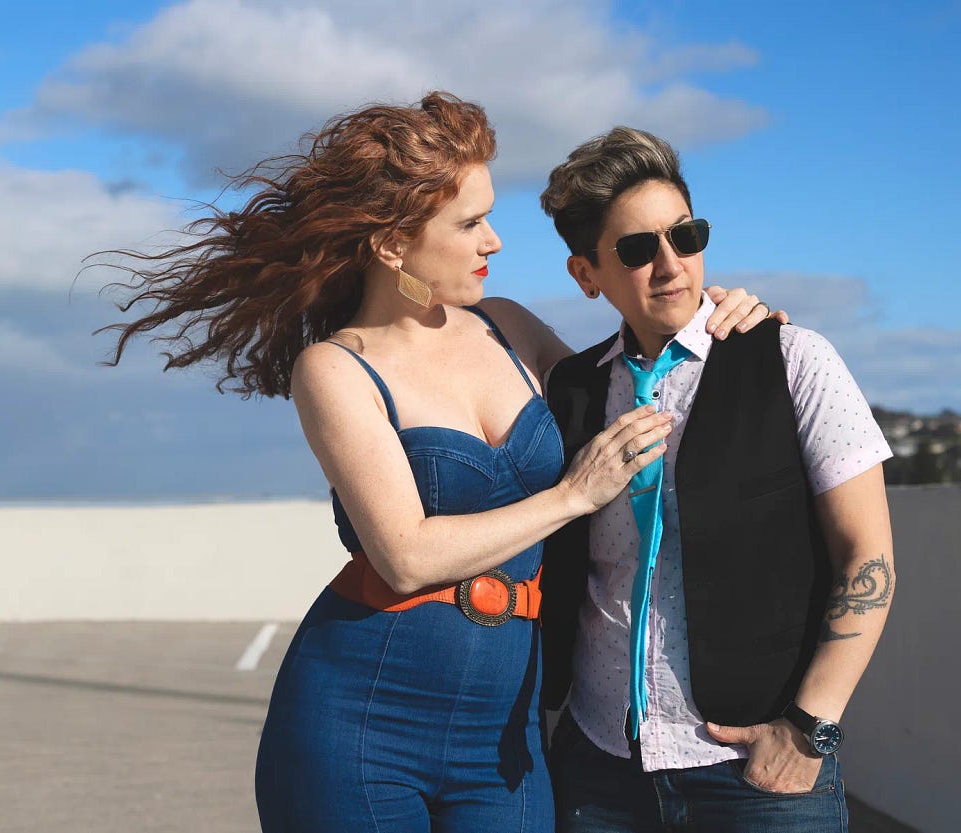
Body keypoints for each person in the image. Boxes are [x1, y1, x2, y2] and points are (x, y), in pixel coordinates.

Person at [97, 93, 774, 832]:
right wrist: (571, 496)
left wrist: (727, 321)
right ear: (394, 245)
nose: (495, 242)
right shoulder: (334, 369)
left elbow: (631, 380)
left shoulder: (509, 326)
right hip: (361, 720)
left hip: (506, 733)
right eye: (470, 223)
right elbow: (405, 555)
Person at [538, 126, 895, 832]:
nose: (671, 264)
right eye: (637, 250)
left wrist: (809, 730)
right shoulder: (571, 388)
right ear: (586, 274)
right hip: (600, 767)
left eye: (686, 235)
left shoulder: (793, 359)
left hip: (758, 773)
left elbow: (868, 557)